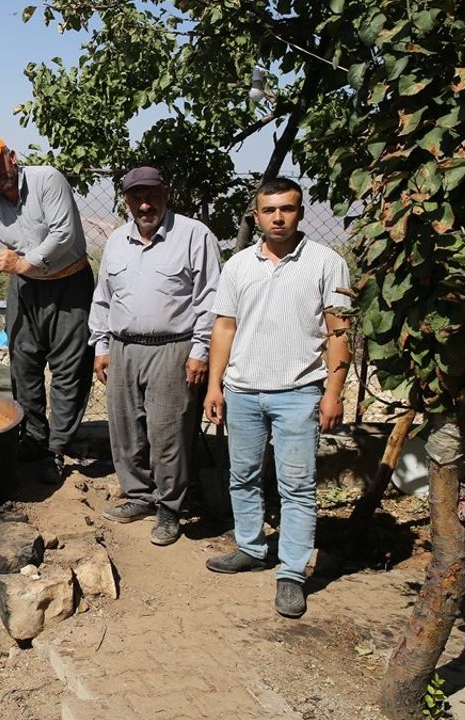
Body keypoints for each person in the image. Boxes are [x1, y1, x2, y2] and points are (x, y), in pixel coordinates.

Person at [202, 177, 352, 619]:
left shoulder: (326, 263)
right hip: (243, 390)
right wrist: (216, 384)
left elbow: (338, 330)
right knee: (243, 475)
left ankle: (291, 572)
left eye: (287, 209)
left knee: (297, 487)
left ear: (301, 212)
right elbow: (224, 327)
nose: (278, 218)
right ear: (257, 215)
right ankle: (250, 546)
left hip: (299, 391)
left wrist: (333, 393)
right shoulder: (239, 265)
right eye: (269, 211)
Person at [90, 167, 223, 546]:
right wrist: (101, 346)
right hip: (123, 347)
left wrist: (200, 350)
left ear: (166, 193)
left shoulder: (194, 235)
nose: (144, 204)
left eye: (151, 195)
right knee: (125, 429)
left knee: (169, 433)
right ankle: (139, 496)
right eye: (136, 197)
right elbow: (104, 297)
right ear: (126, 201)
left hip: (173, 348)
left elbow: (210, 298)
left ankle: (169, 508)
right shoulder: (116, 241)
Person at [0, 136, 94, 481]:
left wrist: (26, 263)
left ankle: (57, 448)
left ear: (12, 157)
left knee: (68, 369)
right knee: (24, 365)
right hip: (25, 289)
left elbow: (64, 234)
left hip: (69, 284)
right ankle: (33, 438)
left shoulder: (48, 180)